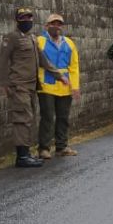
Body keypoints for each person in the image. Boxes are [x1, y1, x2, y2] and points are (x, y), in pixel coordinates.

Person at [0, 6, 67, 167]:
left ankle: (26, 152)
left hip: (31, 86)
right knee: (22, 119)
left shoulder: (32, 38)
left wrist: (59, 76)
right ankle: (22, 157)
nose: (27, 21)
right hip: (19, 85)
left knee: (29, 119)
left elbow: (43, 60)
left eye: (29, 18)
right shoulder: (11, 38)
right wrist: (3, 85)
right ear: (17, 21)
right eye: (23, 18)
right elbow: (2, 62)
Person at [35, 13, 81, 158]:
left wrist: (75, 86)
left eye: (59, 24)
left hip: (65, 86)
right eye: (53, 24)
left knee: (63, 117)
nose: (57, 26)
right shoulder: (40, 41)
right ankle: (44, 148)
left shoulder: (69, 43)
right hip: (46, 85)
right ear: (47, 26)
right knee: (47, 116)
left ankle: (61, 147)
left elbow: (74, 66)